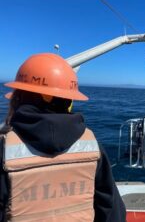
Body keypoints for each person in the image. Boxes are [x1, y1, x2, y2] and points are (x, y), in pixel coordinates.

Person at [0, 53, 126, 222]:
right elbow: (112, 212)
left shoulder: (5, 148)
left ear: (18, 98)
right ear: (68, 101)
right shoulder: (91, 145)